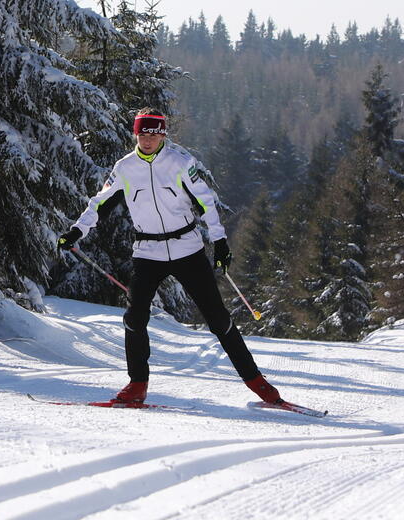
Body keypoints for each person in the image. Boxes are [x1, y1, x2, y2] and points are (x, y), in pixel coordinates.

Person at [57, 108, 287, 406]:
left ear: (163, 134)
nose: (148, 139)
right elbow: (99, 203)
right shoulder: (125, 168)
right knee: (134, 319)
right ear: (135, 134)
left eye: (154, 133)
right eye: (142, 133)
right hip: (147, 252)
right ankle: (136, 385)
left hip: (186, 249)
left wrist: (220, 242)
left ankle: (257, 383)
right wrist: (78, 231)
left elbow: (205, 202)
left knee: (218, 319)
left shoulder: (179, 163)